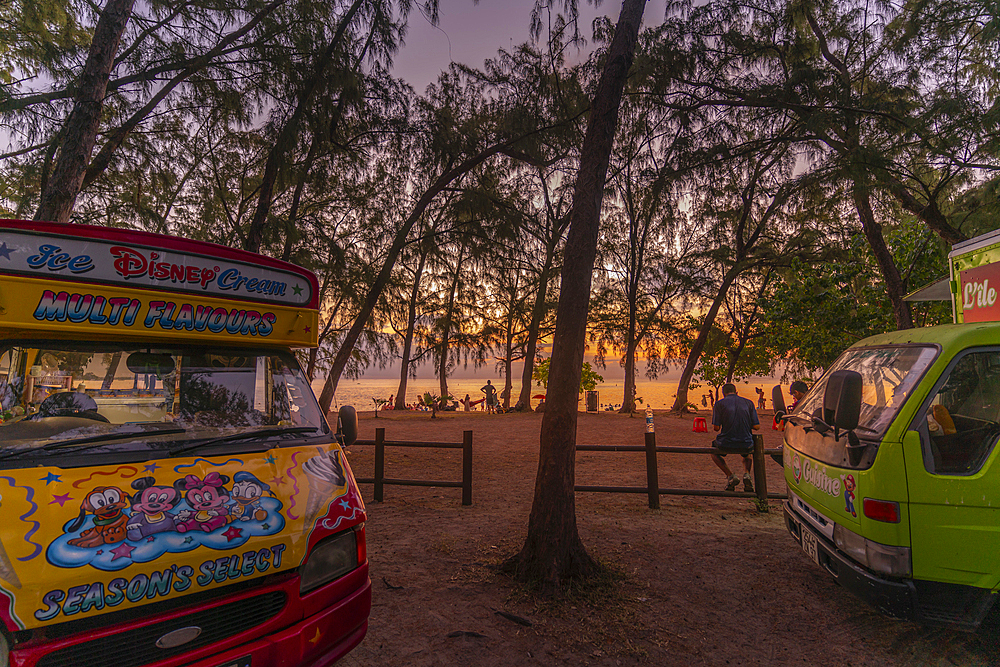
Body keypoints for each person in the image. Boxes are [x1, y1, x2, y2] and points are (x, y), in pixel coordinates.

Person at [710, 383, 760, 492]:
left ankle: (730, 476)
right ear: (736, 392)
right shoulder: (749, 403)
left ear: (724, 394)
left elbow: (716, 428)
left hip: (726, 442)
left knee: (713, 452)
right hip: (746, 442)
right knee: (747, 454)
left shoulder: (719, 404)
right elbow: (757, 426)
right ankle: (747, 474)